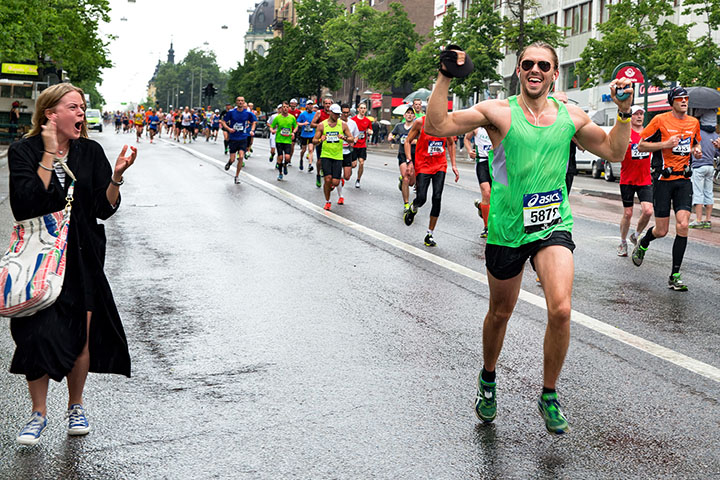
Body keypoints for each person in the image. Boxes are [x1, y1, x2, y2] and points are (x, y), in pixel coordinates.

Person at [425, 42, 634, 434]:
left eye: (543, 65)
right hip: (507, 227)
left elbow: (613, 151)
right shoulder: (498, 112)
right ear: (518, 71)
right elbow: (437, 126)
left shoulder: (570, 116)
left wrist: (623, 113)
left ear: (555, 73)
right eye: (528, 64)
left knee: (561, 309)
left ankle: (549, 394)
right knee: (500, 313)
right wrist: (444, 76)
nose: (535, 70)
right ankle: (488, 379)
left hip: (552, 224)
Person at [7, 83, 136, 446]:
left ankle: (75, 406)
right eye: (74, 107)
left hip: (83, 253)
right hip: (40, 256)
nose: (81, 113)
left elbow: (103, 209)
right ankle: (38, 414)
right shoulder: (24, 151)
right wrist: (48, 155)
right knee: (34, 334)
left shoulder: (90, 151)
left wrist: (116, 177)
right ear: (51, 114)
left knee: (82, 334)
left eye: (82, 107)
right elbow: (27, 204)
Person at [633, 86, 702, 291]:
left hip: (684, 180)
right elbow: (641, 146)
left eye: (686, 98)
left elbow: (695, 144)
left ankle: (675, 274)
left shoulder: (693, 122)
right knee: (661, 230)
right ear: (671, 101)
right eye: (680, 98)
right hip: (663, 179)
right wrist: (665, 144)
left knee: (683, 224)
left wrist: (696, 151)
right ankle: (644, 242)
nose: (684, 101)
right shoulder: (660, 120)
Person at [401, 116, 458, 247]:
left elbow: (450, 143)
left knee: (437, 197)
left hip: (440, 165)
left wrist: (454, 165)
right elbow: (408, 141)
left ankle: (429, 234)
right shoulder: (420, 122)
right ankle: (413, 207)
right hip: (423, 165)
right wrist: (409, 161)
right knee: (421, 198)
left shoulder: (445, 123)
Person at [615, 105, 653, 256]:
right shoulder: (625, 133)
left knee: (648, 211)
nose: (639, 117)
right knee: (628, 213)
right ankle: (623, 242)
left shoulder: (648, 133)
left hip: (644, 178)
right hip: (627, 179)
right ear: (631, 116)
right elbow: (615, 151)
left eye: (641, 114)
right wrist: (624, 144)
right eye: (636, 114)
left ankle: (635, 235)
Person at [313, 103, 354, 210]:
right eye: (335, 114)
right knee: (327, 179)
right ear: (330, 112)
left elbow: (352, 139)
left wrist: (344, 138)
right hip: (326, 155)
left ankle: (332, 186)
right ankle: (328, 201)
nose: (336, 116)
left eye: (338, 114)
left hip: (338, 156)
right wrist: (320, 140)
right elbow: (314, 141)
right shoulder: (322, 125)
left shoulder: (343, 125)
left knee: (335, 182)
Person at [688, 115, 717, 229]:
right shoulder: (715, 135)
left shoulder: (698, 134)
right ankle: (708, 219)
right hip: (710, 166)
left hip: (699, 166)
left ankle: (698, 219)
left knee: (698, 192)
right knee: (708, 192)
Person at [220, 96, 257, 184]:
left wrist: (252, 130)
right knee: (233, 159)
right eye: (239, 101)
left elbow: (254, 121)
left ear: (244, 103)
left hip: (243, 138)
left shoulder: (248, 113)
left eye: (242, 101)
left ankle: (237, 176)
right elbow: (223, 122)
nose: (240, 102)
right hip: (233, 138)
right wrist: (228, 129)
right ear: (236, 102)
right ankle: (229, 163)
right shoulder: (231, 112)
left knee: (241, 157)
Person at [465, 125, 492, 238]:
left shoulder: (497, 125)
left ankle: (482, 206)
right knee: (486, 193)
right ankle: (486, 227)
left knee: (496, 196)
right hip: (482, 162)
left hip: (496, 163)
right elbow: (466, 138)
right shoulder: (476, 127)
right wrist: (470, 151)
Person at [389, 107, 417, 210]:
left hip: (414, 155)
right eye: (407, 113)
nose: (409, 115)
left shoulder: (416, 127)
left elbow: (423, 139)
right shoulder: (399, 126)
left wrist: (415, 141)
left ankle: (402, 180)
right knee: (406, 177)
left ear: (414, 116)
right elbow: (392, 133)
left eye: (411, 113)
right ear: (404, 116)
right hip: (402, 154)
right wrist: (390, 136)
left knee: (411, 182)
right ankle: (406, 204)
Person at [270, 101, 298, 181]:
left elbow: (296, 126)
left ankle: (285, 165)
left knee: (287, 157)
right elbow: (272, 126)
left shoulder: (292, 117)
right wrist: (272, 130)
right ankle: (280, 173)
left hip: (288, 140)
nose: (285, 108)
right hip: (279, 140)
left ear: (288, 108)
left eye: (286, 107)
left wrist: (293, 132)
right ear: (281, 108)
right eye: (283, 107)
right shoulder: (278, 118)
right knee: (280, 157)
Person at [339, 103, 360, 204]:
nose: (346, 115)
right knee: (337, 175)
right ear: (340, 113)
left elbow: (356, 135)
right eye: (344, 113)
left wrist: (353, 141)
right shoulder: (337, 123)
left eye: (347, 113)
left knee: (347, 176)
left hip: (347, 151)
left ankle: (341, 179)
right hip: (337, 152)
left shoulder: (352, 123)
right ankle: (340, 195)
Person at [311, 98, 333, 188]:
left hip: (331, 140)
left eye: (329, 103)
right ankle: (318, 175)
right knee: (320, 161)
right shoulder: (319, 113)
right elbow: (312, 124)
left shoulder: (334, 114)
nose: (328, 105)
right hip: (321, 140)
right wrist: (321, 126)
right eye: (326, 103)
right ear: (323, 104)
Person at [351, 103, 373, 188]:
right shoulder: (353, 120)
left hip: (362, 145)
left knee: (361, 163)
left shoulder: (367, 121)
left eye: (364, 108)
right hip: (354, 145)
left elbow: (370, 129)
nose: (363, 110)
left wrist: (370, 132)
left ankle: (358, 180)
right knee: (353, 165)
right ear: (358, 109)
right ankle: (348, 169)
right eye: (361, 108)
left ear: (366, 110)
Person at [297, 100, 316, 172]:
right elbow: (297, 123)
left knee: (311, 150)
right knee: (303, 150)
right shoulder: (303, 114)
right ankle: (301, 159)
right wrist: (303, 124)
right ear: (306, 106)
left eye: (311, 105)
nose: (310, 106)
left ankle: (310, 165)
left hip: (312, 134)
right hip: (304, 134)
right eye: (309, 105)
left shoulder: (315, 114)